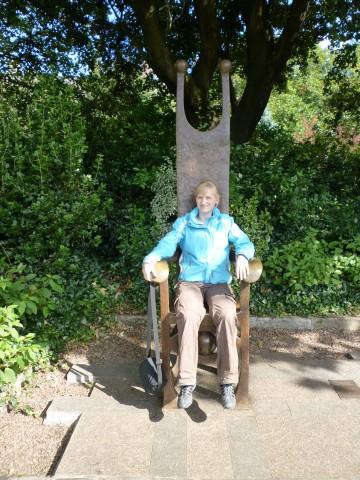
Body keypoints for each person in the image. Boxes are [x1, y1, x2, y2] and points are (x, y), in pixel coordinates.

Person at [142, 180, 254, 409]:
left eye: (209, 198)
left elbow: (244, 241)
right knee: (190, 314)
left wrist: (242, 255)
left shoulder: (225, 222)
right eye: (201, 197)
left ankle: (227, 383)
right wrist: (151, 258)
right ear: (196, 200)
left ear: (216, 201)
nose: (204, 201)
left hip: (218, 284)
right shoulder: (184, 223)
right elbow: (168, 243)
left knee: (226, 313)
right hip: (190, 283)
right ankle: (186, 383)